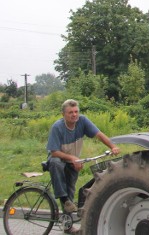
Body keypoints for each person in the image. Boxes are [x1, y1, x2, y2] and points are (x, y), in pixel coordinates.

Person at [46, 99, 121, 233]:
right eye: (70, 112)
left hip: (73, 162)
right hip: (59, 159)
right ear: (63, 114)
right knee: (56, 163)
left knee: (71, 190)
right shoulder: (57, 127)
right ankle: (63, 198)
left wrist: (113, 146)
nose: (74, 115)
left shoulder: (83, 121)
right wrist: (73, 158)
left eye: (76, 112)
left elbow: (98, 134)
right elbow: (54, 152)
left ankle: (67, 226)